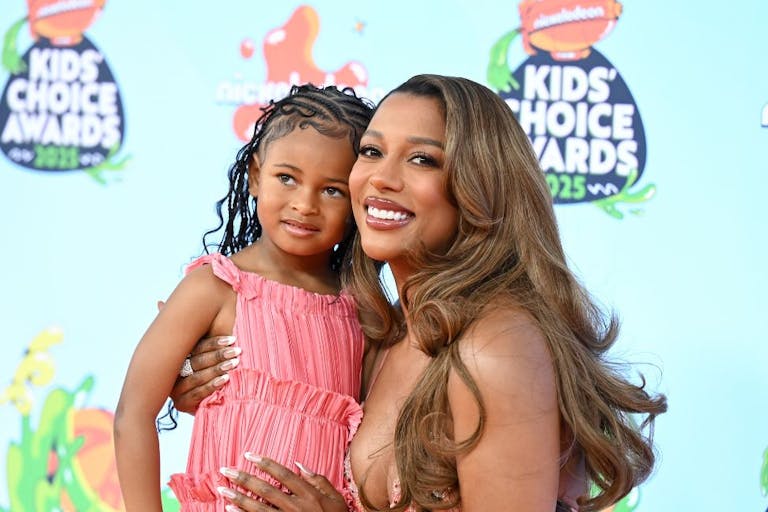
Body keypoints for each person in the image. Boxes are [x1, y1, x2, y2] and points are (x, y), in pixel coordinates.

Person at [172, 74, 667, 512]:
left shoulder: (494, 347)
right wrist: (207, 379)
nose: (382, 179)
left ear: (478, 187)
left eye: (422, 159)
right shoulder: (382, 332)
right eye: (371, 151)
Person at [114, 84, 375, 512]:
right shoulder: (216, 287)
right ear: (255, 175)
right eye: (286, 178)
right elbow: (133, 412)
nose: (305, 204)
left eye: (332, 190)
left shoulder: (360, 309)